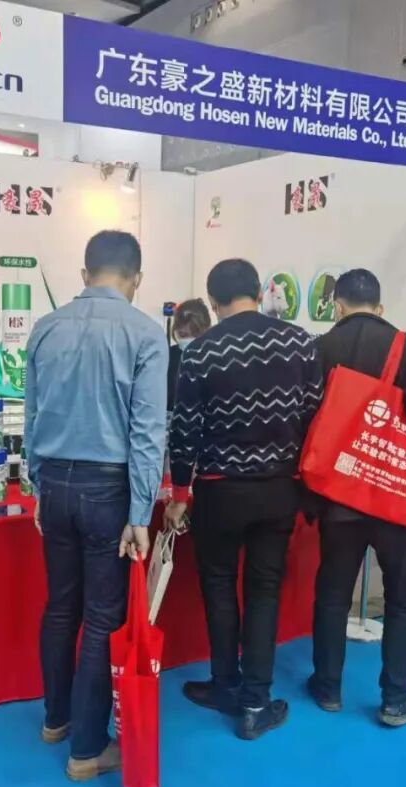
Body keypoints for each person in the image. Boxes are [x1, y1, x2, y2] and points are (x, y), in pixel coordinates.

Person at [24, 231, 168, 782]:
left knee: (62, 606)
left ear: (85, 275)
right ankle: (86, 750)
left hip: (55, 483)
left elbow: (32, 418)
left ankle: (55, 720)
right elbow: (147, 433)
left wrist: (40, 485)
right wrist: (140, 514)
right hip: (109, 490)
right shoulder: (145, 334)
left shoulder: (45, 328)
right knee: (104, 617)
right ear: (137, 279)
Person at [165, 258, 322, 741]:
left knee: (218, 587)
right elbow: (314, 414)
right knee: (263, 591)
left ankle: (224, 684)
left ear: (213, 302)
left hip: (219, 490)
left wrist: (180, 492)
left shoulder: (200, 352)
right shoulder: (301, 342)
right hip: (278, 489)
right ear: (258, 291)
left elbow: (184, 430)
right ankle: (256, 702)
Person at [307, 269, 406, 727]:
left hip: (339, 492)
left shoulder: (320, 347)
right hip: (394, 496)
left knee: (333, 592)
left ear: (338, 306)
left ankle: (327, 687)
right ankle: (396, 699)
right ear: (380, 307)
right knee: (403, 598)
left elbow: (308, 416)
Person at [166, 298, 212, 411]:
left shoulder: (213, 358)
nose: (188, 339)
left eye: (195, 334)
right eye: (183, 335)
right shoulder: (167, 356)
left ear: (207, 330)